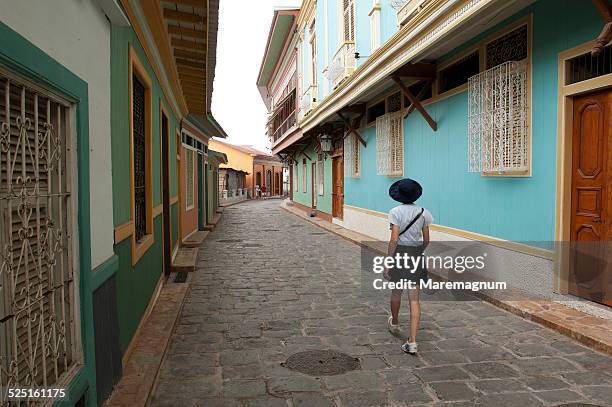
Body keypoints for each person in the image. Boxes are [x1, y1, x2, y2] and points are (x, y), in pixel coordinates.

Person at [384, 178, 433, 354]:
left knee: (396, 292)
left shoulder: (395, 212)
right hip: (416, 255)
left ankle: (395, 322)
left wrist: (389, 261)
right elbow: (427, 239)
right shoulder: (424, 212)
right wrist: (419, 250)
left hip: (399, 254)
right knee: (414, 299)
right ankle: (412, 342)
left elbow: (394, 238)